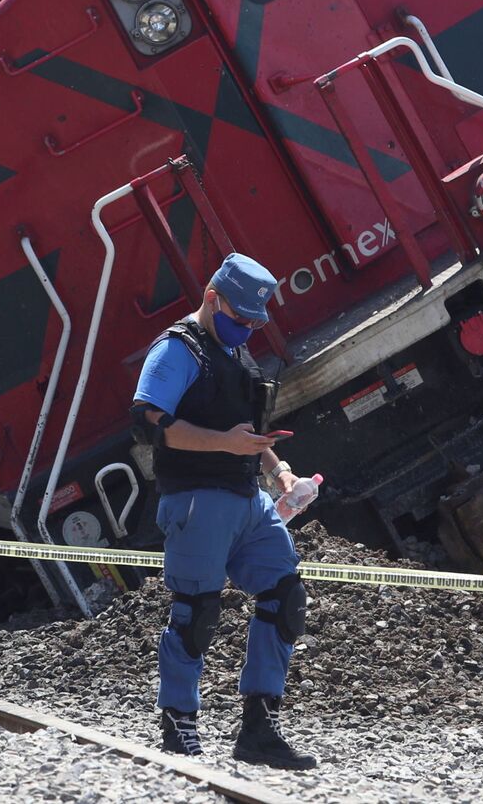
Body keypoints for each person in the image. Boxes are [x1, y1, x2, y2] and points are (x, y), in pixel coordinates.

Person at [131, 252, 316, 769]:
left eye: (256, 323)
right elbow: (153, 424)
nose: (247, 330)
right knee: (196, 613)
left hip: (247, 500)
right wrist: (226, 447)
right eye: (240, 320)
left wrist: (281, 475)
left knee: (286, 598)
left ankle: (259, 729)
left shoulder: (235, 353)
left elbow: (248, 435)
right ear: (212, 299)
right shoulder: (176, 350)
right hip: (196, 499)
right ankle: (178, 727)